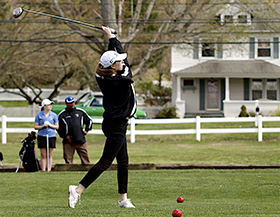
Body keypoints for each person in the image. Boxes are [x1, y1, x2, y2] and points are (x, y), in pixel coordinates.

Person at [68, 26, 137, 209]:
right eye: (118, 62)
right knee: (106, 161)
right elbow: (125, 62)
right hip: (117, 126)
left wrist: (111, 37)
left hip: (113, 123)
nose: (122, 63)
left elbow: (121, 56)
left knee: (123, 161)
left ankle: (123, 199)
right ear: (112, 66)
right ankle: (77, 190)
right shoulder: (122, 80)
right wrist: (112, 39)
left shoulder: (105, 75)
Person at [57, 96, 92, 164]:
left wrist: (87, 130)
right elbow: (59, 127)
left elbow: (89, 121)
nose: (72, 104)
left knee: (85, 157)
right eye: (70, 103)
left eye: (73, 102)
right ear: (66, 104)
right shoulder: (62, 115)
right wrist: (65, 136)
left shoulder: (80, 112)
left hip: (80, 138)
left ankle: (87, 169)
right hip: (68, 141)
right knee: (68, 158)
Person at [34, 99, 59, 172]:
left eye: (50, 105)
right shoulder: (39, 115)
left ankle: (49, 169)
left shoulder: (54, 115)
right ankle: (43, 169)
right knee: (43, 154)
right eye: (48, 105)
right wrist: (43, 126)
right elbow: (36, 126)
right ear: (44, 106)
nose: (50, 106)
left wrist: (50, 125)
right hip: (42, 135)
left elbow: (57, 126)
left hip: (51, 136)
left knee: (50, 154)